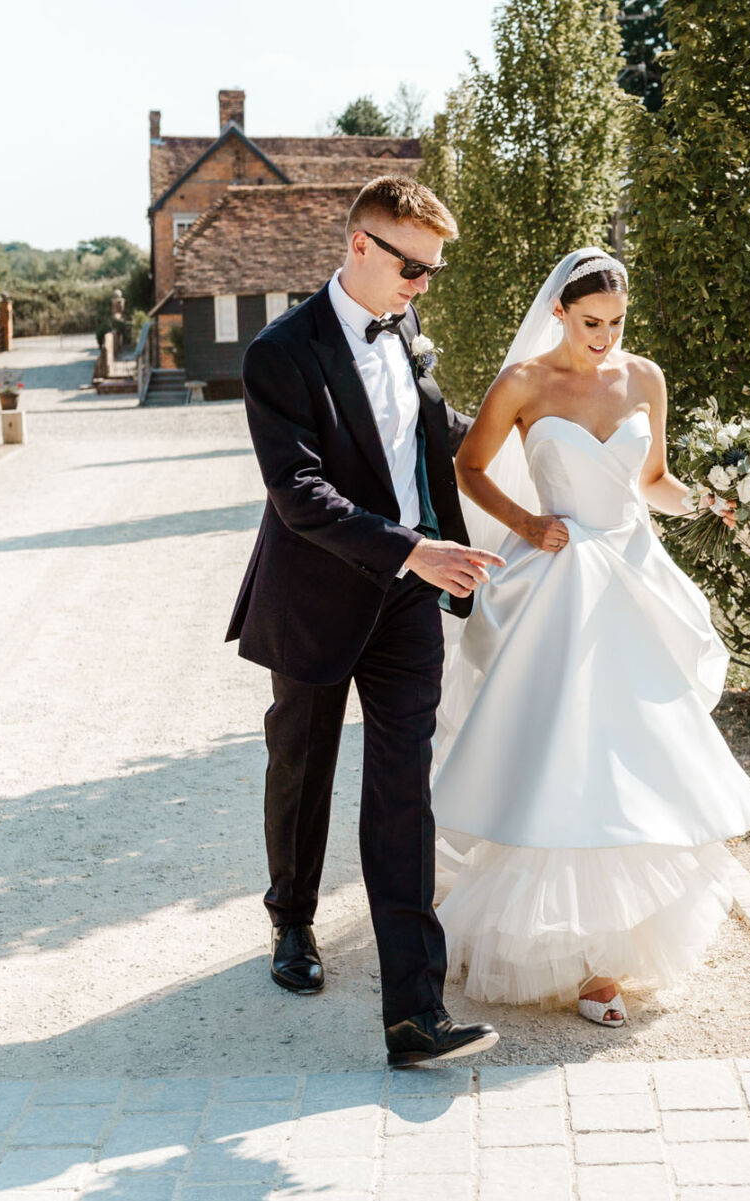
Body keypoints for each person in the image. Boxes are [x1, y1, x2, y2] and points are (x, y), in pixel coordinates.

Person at [431, 247, 750, 1026]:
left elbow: (651, 481)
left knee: (637, 755)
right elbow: (469, 466)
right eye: (591, 323)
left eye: (616, 323)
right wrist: (526, 523)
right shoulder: (524, 383)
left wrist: (712, 502)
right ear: (559, 312)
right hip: (557, 579)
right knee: (563, 756)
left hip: (633, 573)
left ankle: (612, 956)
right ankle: (563, 951)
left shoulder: (643, 378)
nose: (605, 338)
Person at [226, 176, 505, 1067]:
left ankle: (412, 1015)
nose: (423, 286)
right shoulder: (279, 353)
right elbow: (299, 494)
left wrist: (536, 425)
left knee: (401, 792)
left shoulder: (409, 332)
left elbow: (430, 433)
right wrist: (410, 548)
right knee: (302, 766)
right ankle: (293, 924)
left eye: (431, 272)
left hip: (405, 604)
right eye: (414, 268)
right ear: (361, 248)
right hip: (314, 597)